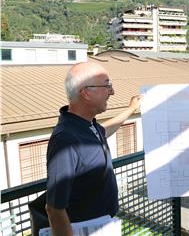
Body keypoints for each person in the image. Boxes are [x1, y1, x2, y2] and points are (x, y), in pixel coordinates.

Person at [45, 62, 141, 236]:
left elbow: (106, 130)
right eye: (107, 85)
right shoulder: (66, 139)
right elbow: (54, 208)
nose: (112, 92)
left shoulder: (87, 125)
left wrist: (131, 109)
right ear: (86, 93)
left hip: (103, 225)